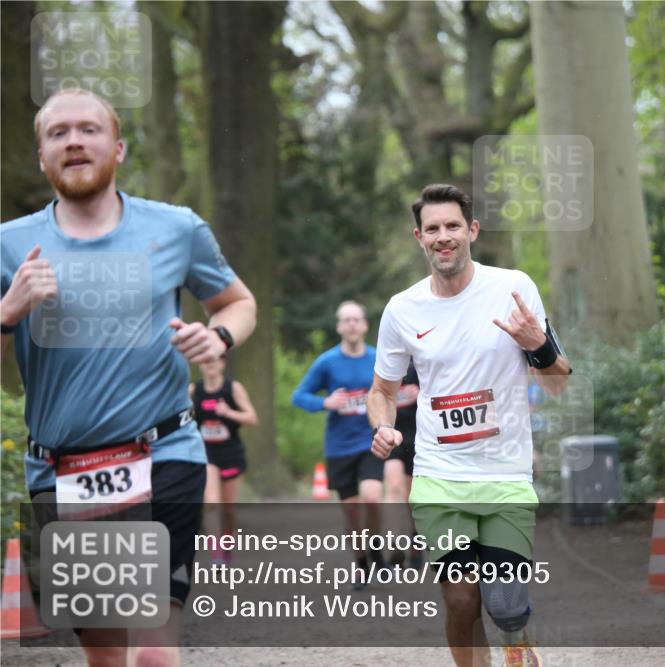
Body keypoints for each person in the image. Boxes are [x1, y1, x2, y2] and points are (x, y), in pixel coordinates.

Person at [0, 89, 256, 667]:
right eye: (57, 133)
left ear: (116, 148)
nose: (73, 141)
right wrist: (8, 312)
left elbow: (238, 302)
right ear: (41, 157)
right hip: (62, 469)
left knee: (153, 654)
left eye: (87, 129)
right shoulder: (10, 244)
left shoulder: (176, 228)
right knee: (108, 654)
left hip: (162, 452)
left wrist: (216, 336)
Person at [368, 184, 571, 667]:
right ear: (419, 237)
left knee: (504, 605)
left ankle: (518, 639)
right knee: (461, 600)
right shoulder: (402, 309)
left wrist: (537, 343)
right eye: (433, 229)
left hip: (505, 474)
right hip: (440, 472)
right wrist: (384, 427)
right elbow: (382, 391)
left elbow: (560, 382)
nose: (444, 237)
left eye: (453, 226)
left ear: (472, 231)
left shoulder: (513, 288)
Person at [292, 300, 386, 582]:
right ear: (339, 327)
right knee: (352, 509)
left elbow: (396, 389)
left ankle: (377, 550)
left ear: (365, 325)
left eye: (356, 319)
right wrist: (326, 402)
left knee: (372, 498)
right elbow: (299, 396)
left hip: (370, 440)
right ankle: (361, 563)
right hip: (339, 446)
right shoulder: (327, 362)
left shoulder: (378, 358)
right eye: (346, 320)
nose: (352, 324)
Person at [190, 354, 259, 564]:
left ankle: (227, 543)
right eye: (205, 361)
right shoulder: (194, 391)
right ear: (200, 364)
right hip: (206, 453)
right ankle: (216, 553)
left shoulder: (233, 388)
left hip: (231, 453)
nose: (210, 364)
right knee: (212, 503)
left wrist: (229, 412)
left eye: (214, 360)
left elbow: (252, 418)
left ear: (222, 363)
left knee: (227, 508)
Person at [384, 360, 421, 568]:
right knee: (394, 485)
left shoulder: (423, 359)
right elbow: (374, 394)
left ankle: (416, 538)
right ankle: (395, 542)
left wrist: (421, 395)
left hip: (418, 434)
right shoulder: (382, 363)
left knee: (412, 497)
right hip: (392, 433)